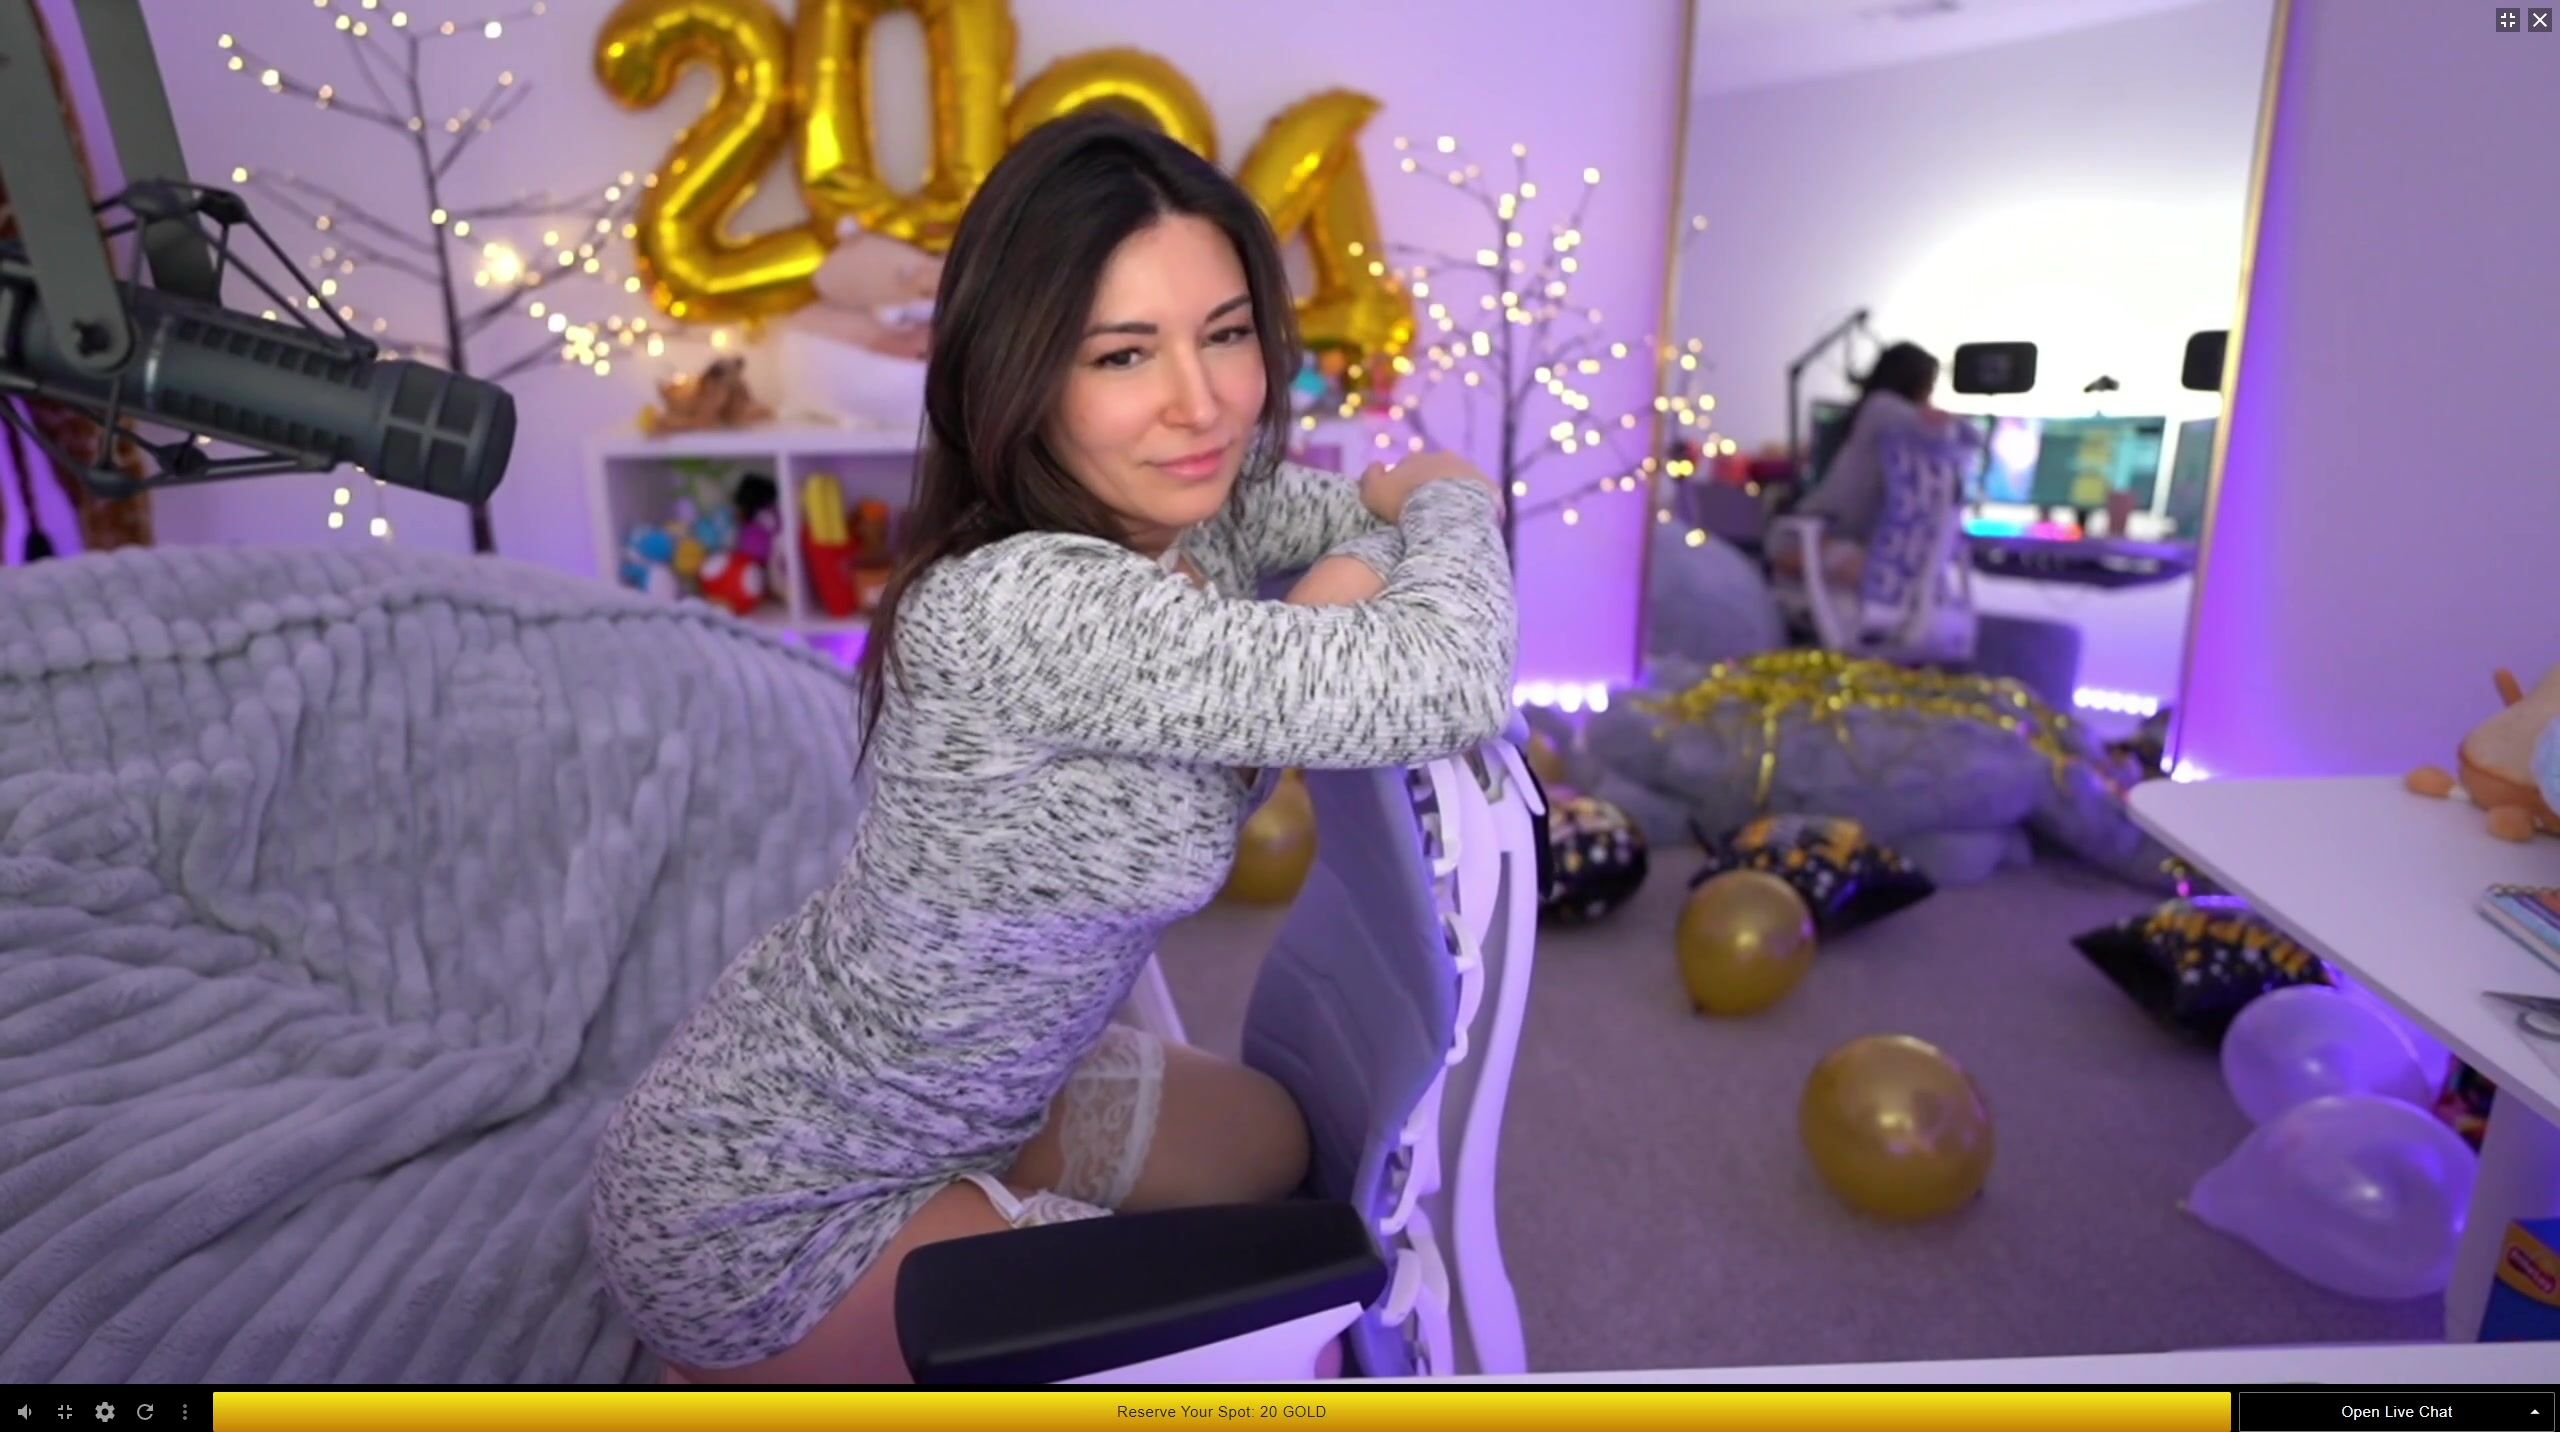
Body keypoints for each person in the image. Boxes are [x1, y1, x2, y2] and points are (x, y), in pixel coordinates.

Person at [585, 110, 1517, 1385]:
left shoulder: (1192, 507)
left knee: (1278, 1147)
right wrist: (1450, 494)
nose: (1202, 403)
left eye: (1226, 333)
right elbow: (1448, 666)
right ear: (1019, 374)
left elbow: (1353, 527)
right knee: (1253, 1351)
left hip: (990, 1093)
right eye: (1123, 354)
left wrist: (1352, 574)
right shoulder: (1023, 600)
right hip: (770, 1203)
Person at [1776, 341, 1977, 587]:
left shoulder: (1892, 423)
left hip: (1852, 537)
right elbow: (1948, 431)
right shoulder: (1881, 407)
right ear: (1913, 381)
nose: (1930, 395)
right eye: (1930, 385)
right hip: (1820, 528)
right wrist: (1945, 419)